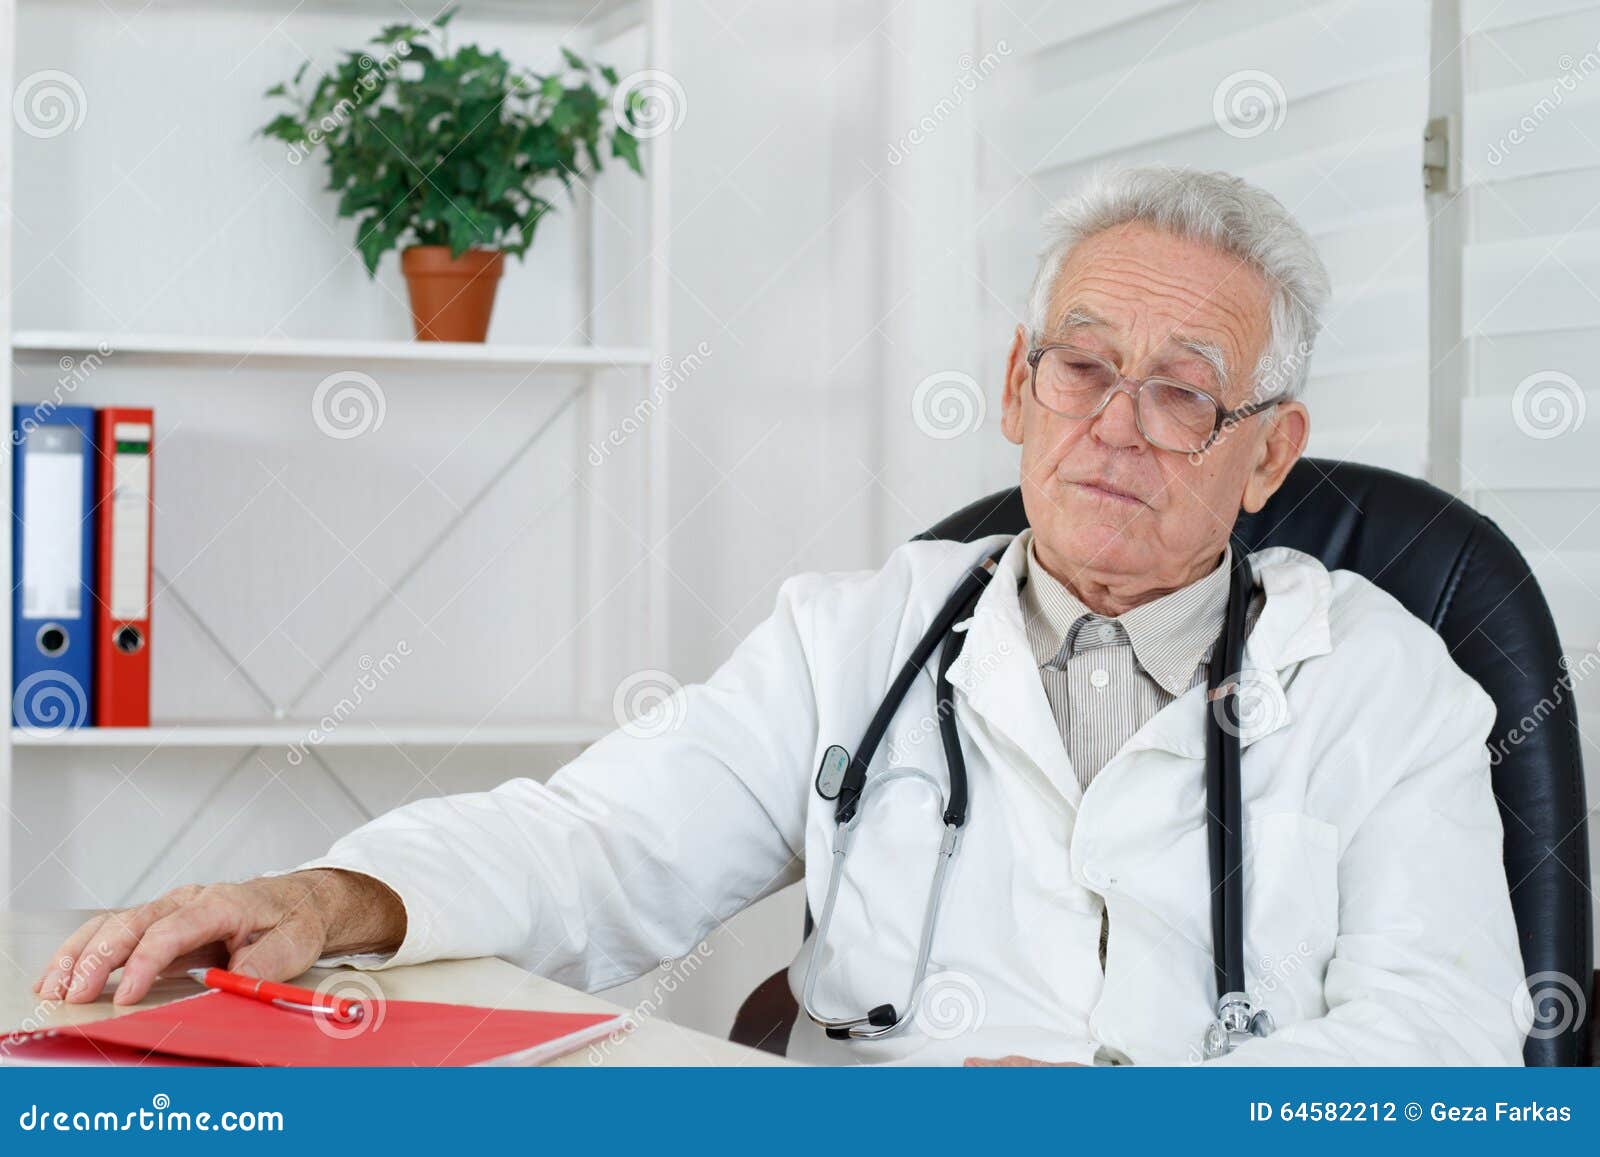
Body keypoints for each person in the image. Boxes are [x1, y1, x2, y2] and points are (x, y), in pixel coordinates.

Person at [38, 166, 1527, 1065]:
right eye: (1082, 366)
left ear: (1269, 450)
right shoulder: (856, 635)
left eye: (1185, 389)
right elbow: (595, 844)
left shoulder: (1387, 682)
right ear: (1017, 387)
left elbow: (1444, 1048)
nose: (1117, 426)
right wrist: (326, 899)